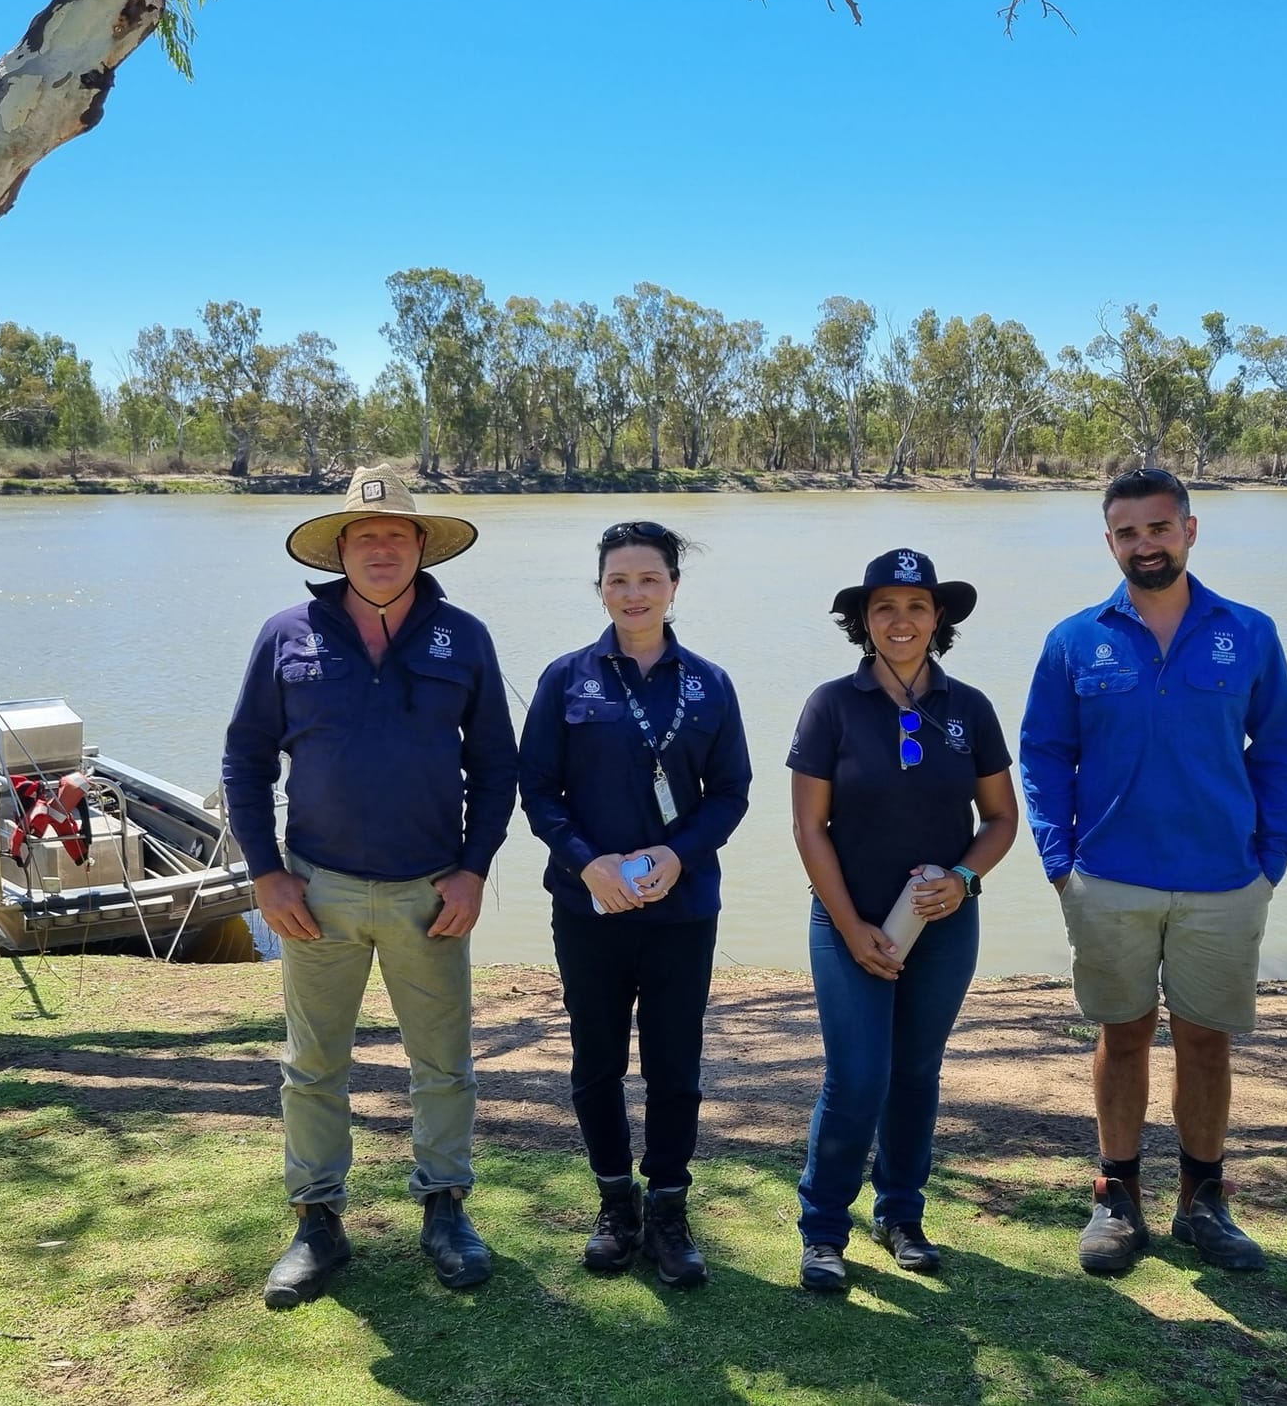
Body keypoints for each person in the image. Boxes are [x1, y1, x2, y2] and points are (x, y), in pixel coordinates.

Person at [222, 464, 519, 1309]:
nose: (381, 547)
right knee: (313, 1065)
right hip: (317, 893)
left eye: (396, 534)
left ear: (421, 545)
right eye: (365, 535)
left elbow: (496, 766)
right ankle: (317, 1222)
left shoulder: (464, 638)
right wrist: (267, 873)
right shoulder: (287, 634)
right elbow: (245, 760)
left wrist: (474, 870)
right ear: (340, 548)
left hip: (432, 893)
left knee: (444, 1065)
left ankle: (445, 1210)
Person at [1019, 467, 1287, 1275]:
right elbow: (1043, 754)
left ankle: (1203, 1204)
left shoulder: (1249, 632)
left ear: (1189, 529)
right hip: (1109, 876)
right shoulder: (1075, 640)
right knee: (1123, 1034)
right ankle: (1117, 1200)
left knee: (1207, 1041)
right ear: (1109, 542)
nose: (1144, 545)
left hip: (1226, 878)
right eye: (1127, 533)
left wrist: (1272, 857)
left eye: (1158, 528)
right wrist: (1058, 861)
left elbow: (1280, 751)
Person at [518, 521, 752, 1287]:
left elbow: (731, 793)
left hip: (682, 910)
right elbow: (538, 791)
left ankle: (669, 1209)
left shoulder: (710, 684)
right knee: (597, 1061)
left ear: (674, 587)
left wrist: (679, 855)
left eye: (649, 578)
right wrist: (588, 865)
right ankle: (616, 1205)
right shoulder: (566, 679)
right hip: (590, 907)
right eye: (618, 580)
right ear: (600, 590)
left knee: (675, 1064)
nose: (634, 593)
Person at [786, 548, 1019, 1293]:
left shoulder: (970, 708)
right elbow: (809, 828)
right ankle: (824, 1229)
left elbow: (1001, 818)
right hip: (848, 923)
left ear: (938, 617)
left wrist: (963, 879)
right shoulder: (831, 705)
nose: (901, 620)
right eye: (884, 606)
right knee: (858, 1077)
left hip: (943, 924)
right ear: (863, 619)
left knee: (916, 1074)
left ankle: (901, 1216)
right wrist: (852, 927)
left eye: (917, 606)